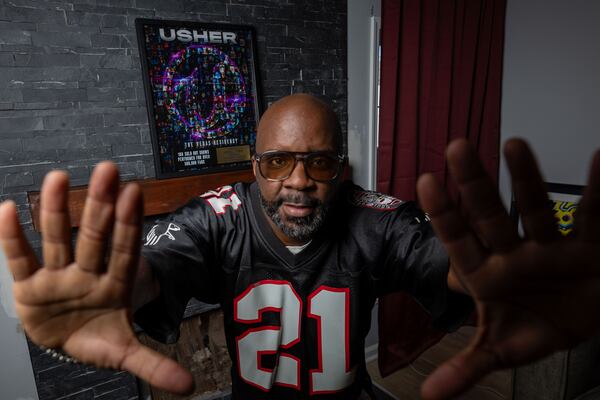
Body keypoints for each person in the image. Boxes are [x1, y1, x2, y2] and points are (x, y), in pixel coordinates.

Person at [0, 93, 597, 399]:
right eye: (279, 161)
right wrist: (103, 296)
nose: (298, 181)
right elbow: (152, 265)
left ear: (340, 168)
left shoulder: (375, 219)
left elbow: (451, 261)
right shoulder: (219, 218)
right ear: (255, 165)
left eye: (318, 162)